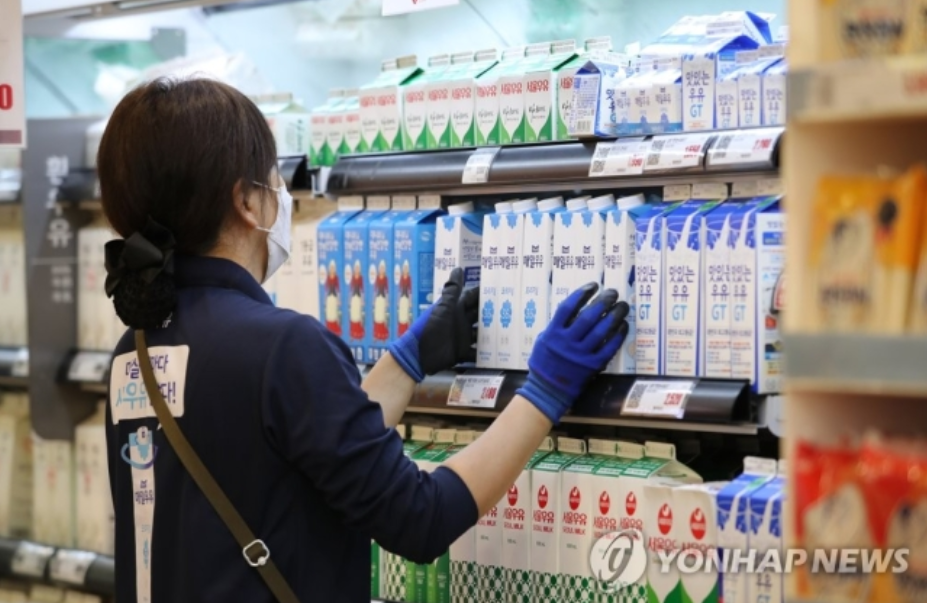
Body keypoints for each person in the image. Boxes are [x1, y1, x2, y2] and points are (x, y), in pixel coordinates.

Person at [99, 77, 630, 603]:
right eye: (271, 180)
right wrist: (542, 392)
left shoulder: (136, 351)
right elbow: (421, 519)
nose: (280, 197)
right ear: (244, 201)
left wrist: (406, 361)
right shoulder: (280, 346)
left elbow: (296, 454)